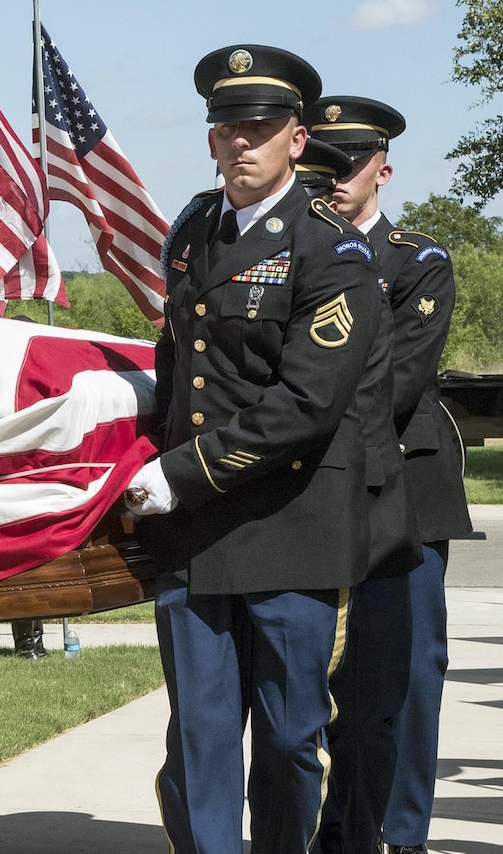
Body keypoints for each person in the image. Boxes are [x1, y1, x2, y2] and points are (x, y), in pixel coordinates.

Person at [124, 46, 390, 852]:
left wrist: (177, 473)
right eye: (226, 127)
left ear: (296, 141)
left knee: (284, 739)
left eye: (261, 127)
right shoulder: (192, 231)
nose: (240, 142)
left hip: (289, 528)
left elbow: (305, 407)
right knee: (200, 745)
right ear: (209, 139)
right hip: (195, 540)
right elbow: (179, 367)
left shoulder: (330, 253)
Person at [307, 96, 474, 854]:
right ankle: (340, 827)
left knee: (405, 675)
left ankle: (397, 833)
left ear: (383, 167)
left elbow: (396, 382)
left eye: (349, 166)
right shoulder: (297, 253)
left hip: (404, 489)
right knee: (324, 676)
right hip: (312, 486)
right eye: (324, 164)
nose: (333, 180)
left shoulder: (418, 261)